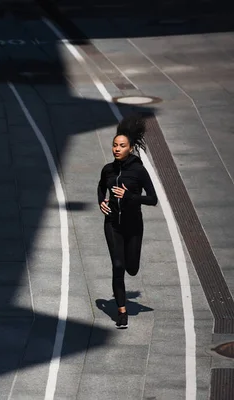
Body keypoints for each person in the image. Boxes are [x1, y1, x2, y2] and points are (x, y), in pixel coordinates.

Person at [97, 114, 158, 329]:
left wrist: (129, 197)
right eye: (114, 145)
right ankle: (121, 312)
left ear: (130, 147)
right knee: (117, 266)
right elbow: (101, 187)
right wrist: (101, 202)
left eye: (121, 146)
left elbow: (153, 199)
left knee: (132, 268)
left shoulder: (139, 171)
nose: (116, 149)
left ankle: (123, 302)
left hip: (133, 227)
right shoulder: (108, 170)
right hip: (112, 224)